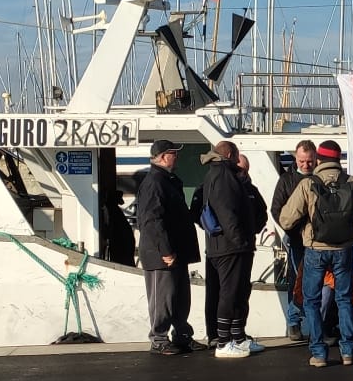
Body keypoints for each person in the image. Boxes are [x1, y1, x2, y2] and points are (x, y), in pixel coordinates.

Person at [275, 139, 353, 366]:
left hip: (315, 249)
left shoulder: (308, 184)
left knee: (311, 301)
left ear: (319, 159)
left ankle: (319, 353)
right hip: (344, 249)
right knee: (344, 299)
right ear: (337, 159)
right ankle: (347, 352)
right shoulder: (352, 183)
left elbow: (285, 219)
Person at [194, 141, 269, 358]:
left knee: (239, 291)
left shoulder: (216, 175)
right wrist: (239, 240)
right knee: (229, 293)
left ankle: (238, 338)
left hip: (228, 245)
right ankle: (224, 342)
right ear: (229, 154)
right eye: (236, 156)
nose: (238, 161)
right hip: (230, 247)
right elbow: (227, 212)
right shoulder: (223, 176)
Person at [133, 138, 199, 356]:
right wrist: (165, 251)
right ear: (162, 157)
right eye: (173, 153)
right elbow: (152, 221)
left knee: (179, 296)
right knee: (163, 297)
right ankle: (159, 338)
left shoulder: (168, 180)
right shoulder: (155, 182)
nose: (176, 156)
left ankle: (181, 334)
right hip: (161, 253)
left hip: (176, 250)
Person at [271, 140, 319, 340]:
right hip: (297, 239)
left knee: (320, 281)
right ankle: (294, 321)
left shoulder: (320, 178)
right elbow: (276, 209)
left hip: (320, 240)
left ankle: (317, 322)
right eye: (302, 161)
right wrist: (291, 230)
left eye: (309, 161)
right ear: (296, 159)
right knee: (297, 280)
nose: (306, 165)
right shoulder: (286, 180)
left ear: (315, 159)